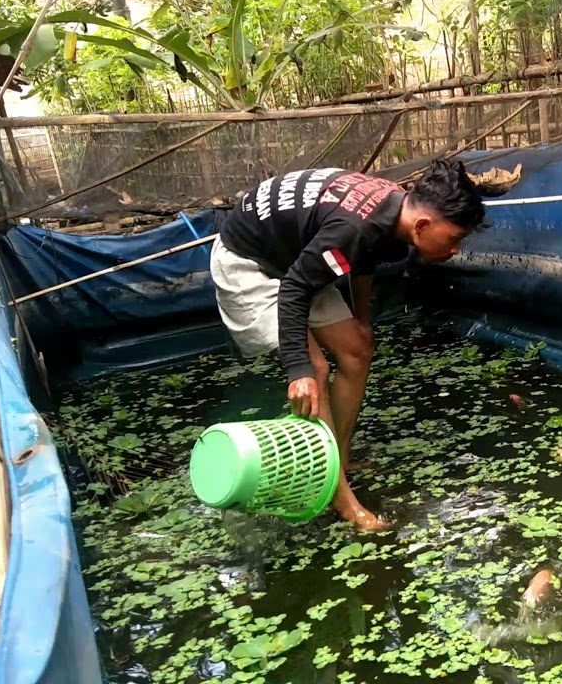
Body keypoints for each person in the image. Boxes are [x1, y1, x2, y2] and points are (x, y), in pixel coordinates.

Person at [209, 159, 488, 531]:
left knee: (357, 350)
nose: (455, 249)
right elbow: (295, 289)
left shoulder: (393, 213)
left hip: (297, 259)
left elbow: (363, 260)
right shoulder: (355, 227)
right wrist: (298, 369)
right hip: (250, 264)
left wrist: (363, 318)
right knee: (316, 371)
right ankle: (340, 498)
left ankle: (336, 461)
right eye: (454, 238)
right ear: (422, 226)